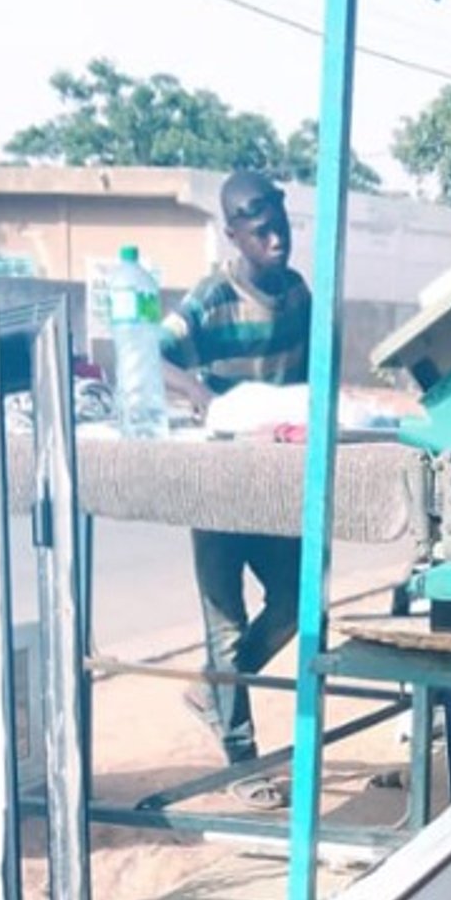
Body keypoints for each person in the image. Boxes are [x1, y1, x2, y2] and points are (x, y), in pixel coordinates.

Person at [157, 169, 313, 806]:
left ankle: (213, 689)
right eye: (261, 230)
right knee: (226, 624)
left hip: (276, 481)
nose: (276, 240)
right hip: (219, 483)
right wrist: (199, 395)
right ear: (233, 234)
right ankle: (241, 762)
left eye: (281, 227)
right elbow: (149, 350)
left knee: (298, 601)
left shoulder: (299, 295)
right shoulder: (210, 297)